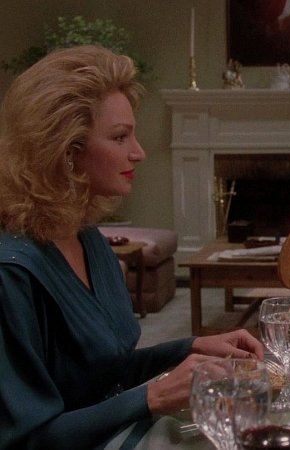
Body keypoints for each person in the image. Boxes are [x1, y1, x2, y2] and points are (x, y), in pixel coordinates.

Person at [0, 46, 264, 449]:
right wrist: (152, 397)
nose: (139, 152)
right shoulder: (12, 274)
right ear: (67, 151)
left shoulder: (87, 238)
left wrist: (190, 346)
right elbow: (26, 440)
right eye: (120, 137)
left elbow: (107, 371)